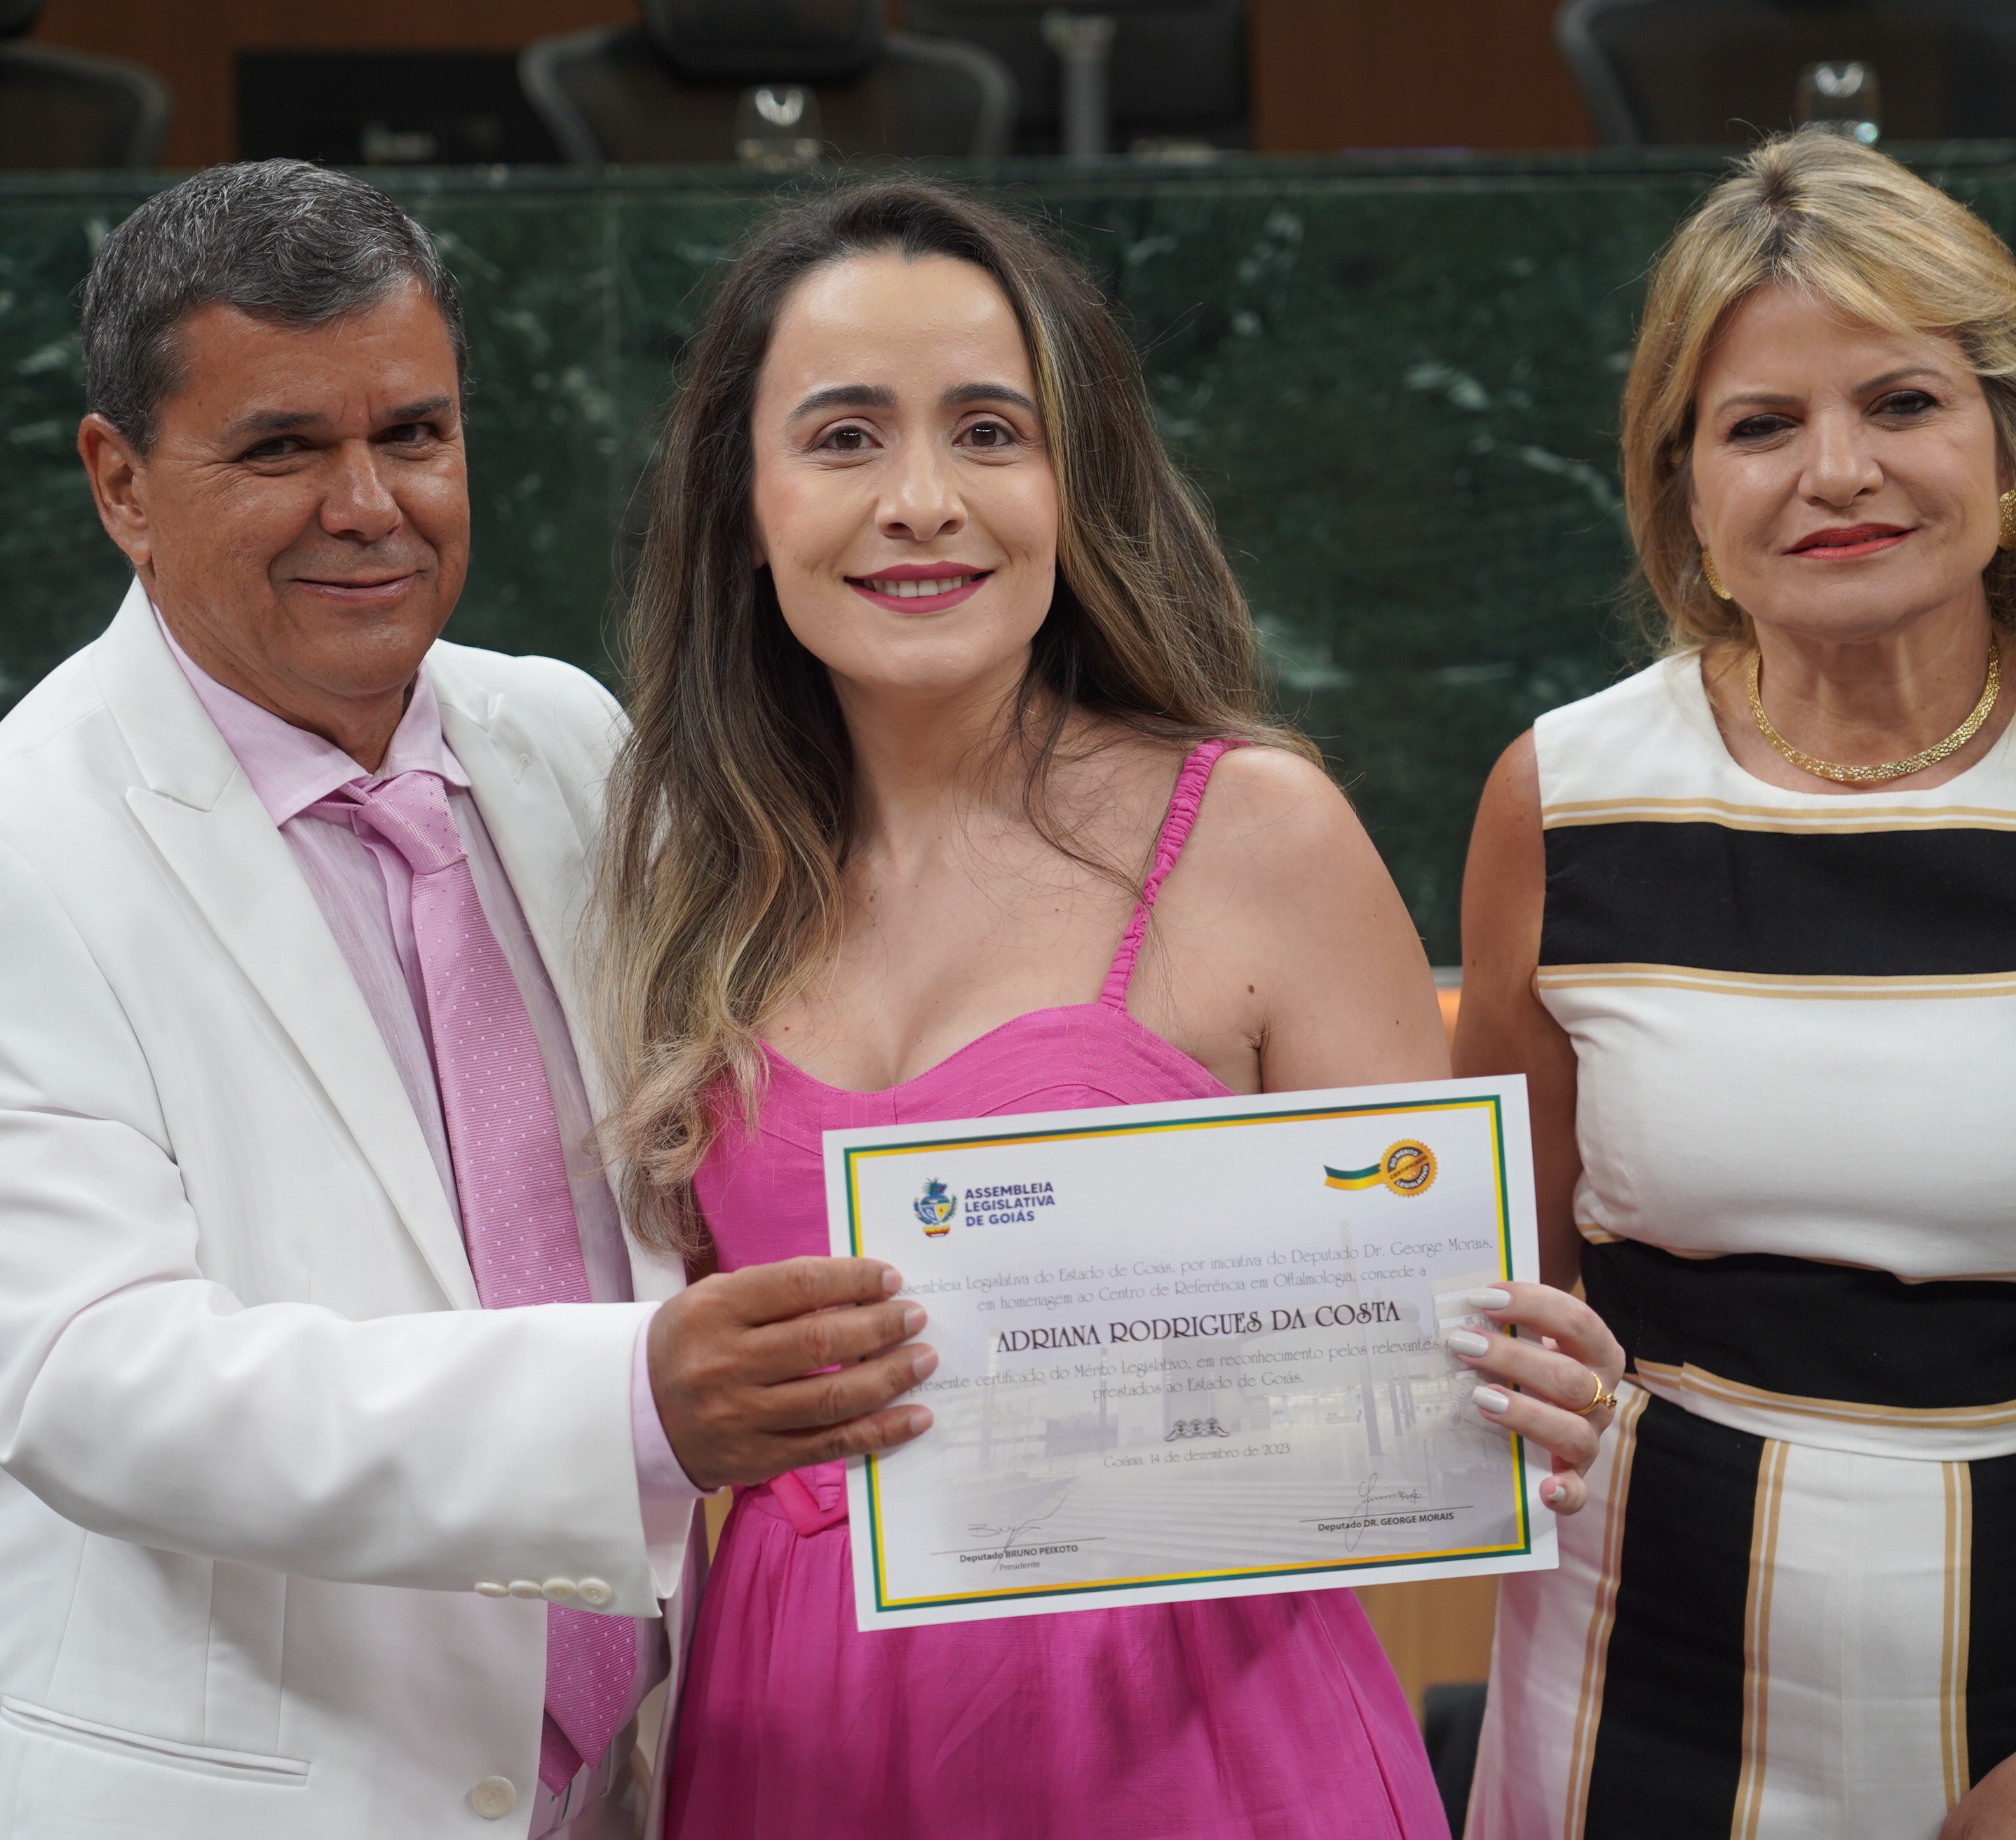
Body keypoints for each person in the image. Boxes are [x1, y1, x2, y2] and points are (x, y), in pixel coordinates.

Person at [0, 161, 938, 1840]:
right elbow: (98, 1385)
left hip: (623, 1782)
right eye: (282, 448)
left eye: (414, 433)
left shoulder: (571, 742)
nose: (369, 504)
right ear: (121, 482)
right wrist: (634, 1403)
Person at [593, 179, 1628, 1840]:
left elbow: (1438, 1361)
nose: (921, 501)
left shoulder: (1261, 833)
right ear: (744, 499)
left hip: (1198, 1749)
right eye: (845, 437)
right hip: (789, 1738)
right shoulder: (674, 880)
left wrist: (1533, 1378)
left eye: (989, 432)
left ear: (1074, 484)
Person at [1456, 131, 2016, 1840]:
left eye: (1903, 403)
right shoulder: (1557, 796)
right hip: (1623, 1689)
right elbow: (1501, 1278)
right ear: (1686, 492)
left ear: (2014, 451)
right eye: (1761, 425)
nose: (1838, 470)